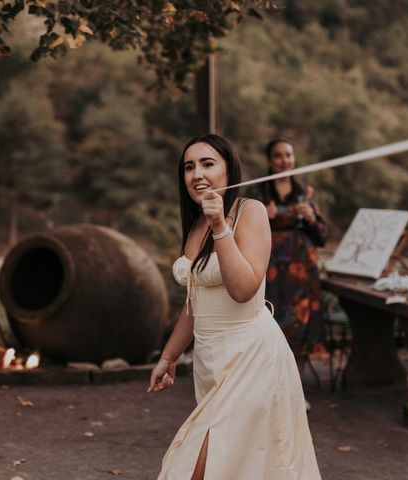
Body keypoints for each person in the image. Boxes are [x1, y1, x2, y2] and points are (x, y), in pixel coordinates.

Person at [148, 134, 321, 479]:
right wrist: (167, 358)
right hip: (211, 363)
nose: (197, 174)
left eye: (208, 164)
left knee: (195, 468)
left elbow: (243, 288)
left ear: (229, 171)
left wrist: (219, 226)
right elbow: (193, 305)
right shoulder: (195, 224)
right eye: (189, 167)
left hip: (252, 358)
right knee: (234, 467)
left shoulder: (250, 212)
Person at [256, 138, 327, 381]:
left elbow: (322, 237)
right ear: (269, 160)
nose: (284, 160)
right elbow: (238, 231)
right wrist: (261, 217)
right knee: (270, 325)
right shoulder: (258, 192)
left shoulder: (306, 193)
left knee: (301, 325)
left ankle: (295, 391)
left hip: (302, 271)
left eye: (288, 155)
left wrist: (311, 219)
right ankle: (270, 389)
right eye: (278, 156)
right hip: (270, 270)